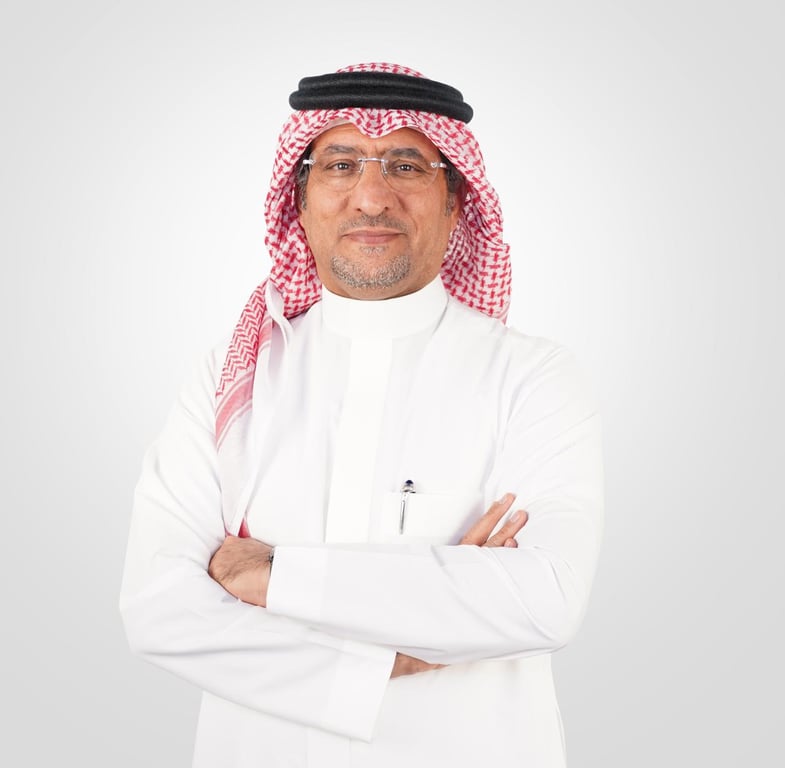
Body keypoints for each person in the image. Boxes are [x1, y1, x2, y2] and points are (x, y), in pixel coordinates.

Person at [120, 62, 604, 767]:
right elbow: (158, 610)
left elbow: (544, 600)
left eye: (405, 166)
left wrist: (274, 576)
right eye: (340, 165)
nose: (372, 198)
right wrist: (391, 653)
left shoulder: (531, 376)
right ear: (300, 199)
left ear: (456, 201)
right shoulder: (232, 376)